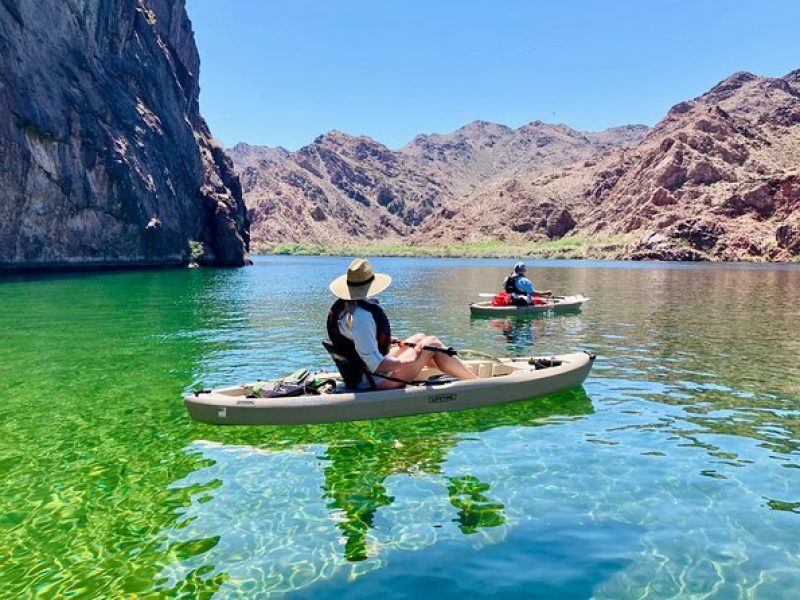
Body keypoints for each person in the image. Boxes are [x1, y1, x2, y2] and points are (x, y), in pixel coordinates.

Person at [326, 258, 477, 390]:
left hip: (362, 373)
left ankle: (454, 370)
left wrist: (388, 343)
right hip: (374, 380)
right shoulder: (362, 316)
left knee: (419, 338)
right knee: (433, 344)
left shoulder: (345, 308)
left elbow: (357, 341)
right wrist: (408, 360)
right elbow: (376, 365)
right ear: (371, 283)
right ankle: (476, 383)